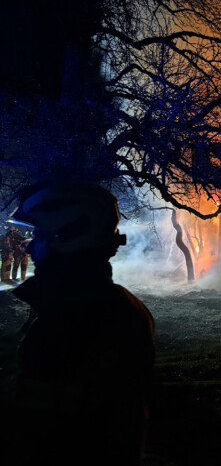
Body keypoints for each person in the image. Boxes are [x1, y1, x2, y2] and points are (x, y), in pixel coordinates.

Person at [7, 180, 156, 466]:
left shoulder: (76, 318)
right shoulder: (104, 307)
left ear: (68, 236)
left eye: (39, 235)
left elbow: (43, 433)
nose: (30, 248)